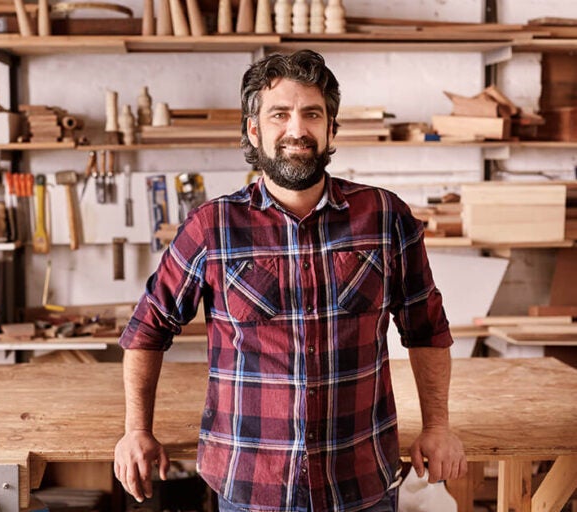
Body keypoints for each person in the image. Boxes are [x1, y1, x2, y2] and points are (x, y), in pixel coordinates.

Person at [114, 49, 467, 512]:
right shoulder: (212, 227)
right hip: (251, 488)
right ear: (254, 129)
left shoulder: (384, 217)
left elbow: (426, 329)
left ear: (331, 129)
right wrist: (136, 429)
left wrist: (437, 425)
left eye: (312, 114)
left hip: (360, 484)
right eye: (279, 114)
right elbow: (147, 328)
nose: (297, 130)